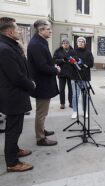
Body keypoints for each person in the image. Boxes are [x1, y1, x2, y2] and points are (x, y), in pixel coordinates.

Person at [0, 17, 36, 172]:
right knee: (13, 129)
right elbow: (16, 76)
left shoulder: (9, 45)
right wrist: (31, 84)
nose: (20, 31)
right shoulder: (5, 49)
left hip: (14, 94)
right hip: (13, 95)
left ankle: (14, 150)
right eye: (17, 28)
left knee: (15, 127)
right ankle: (12, 163)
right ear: (9, 32)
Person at [27, 19, 60, 146]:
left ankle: (41, 130)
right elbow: (41, 66)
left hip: (44, 82)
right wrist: (55, 69)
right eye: (48, 29)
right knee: (41, 112)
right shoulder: (36, 44)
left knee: (43, 112)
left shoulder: (40, 42)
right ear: (41, 30)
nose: (51, 31)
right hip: (42, 84)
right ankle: (40, 138)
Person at [70, 37, 94, 119]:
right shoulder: (73, 52)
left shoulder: (88, 52)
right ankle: (75, 111)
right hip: (75, 76)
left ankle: (85, 111)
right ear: (76, 43)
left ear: (85, 43)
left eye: (82, 41)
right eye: (79, 41)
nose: (80, 43)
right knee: (75, 95)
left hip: (85, 77)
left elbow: (91, 63)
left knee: (85, 95)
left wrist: (83, 63)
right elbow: (69, 63)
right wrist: (73, 63)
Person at [53, 39, 75, 109]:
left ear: (69, 44)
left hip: (70, 73)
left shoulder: (73, 51)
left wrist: (73, 61)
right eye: (64, 43)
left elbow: (76, 60)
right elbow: (54, 60)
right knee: (61, 89)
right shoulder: (58, 51)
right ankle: (62, 103)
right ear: (62, 44)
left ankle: (71, 102)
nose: (65, 44)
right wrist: (62, 60)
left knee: (70, 89)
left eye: (67, 43)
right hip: (61, 73)